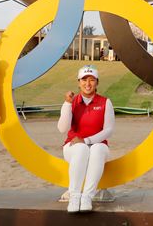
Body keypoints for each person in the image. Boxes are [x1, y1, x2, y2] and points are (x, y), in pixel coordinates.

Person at [57, 65, 114, 213]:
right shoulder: (72, 101)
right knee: (81, 149)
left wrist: (87, 140)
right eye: (84, 80)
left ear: (97, 82)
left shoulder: (105, 102)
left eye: (92, 80)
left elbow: (108, 130)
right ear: (78, 82)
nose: (88, 84)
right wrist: (67, 104)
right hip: (73, 148)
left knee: (96, 148)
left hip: (99, 147)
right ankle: (75, 195)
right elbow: (62, 128)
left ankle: (87, 196)